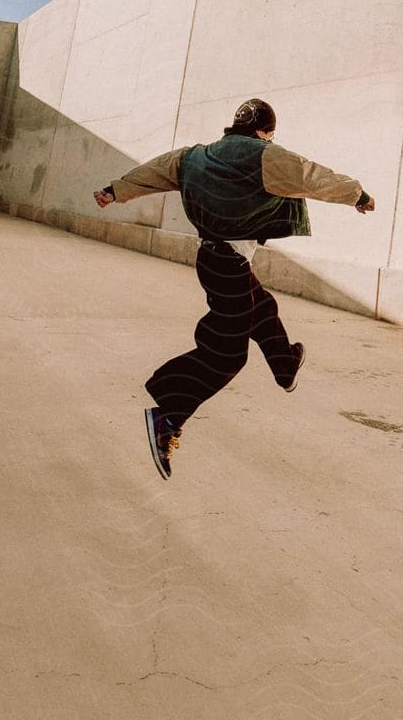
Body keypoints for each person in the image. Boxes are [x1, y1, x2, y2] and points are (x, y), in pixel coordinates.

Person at [93, 97, 375, 479]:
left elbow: (156, 170)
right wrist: (356, 194)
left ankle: (285, 364)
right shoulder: (265, 156)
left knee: (262, 307)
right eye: (270, 136)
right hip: (227, 266)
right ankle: (168, 415)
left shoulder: (196, 156)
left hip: (215, 261)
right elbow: (311, 175)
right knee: (226, 356)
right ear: (264, 132)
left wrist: (116, 190)